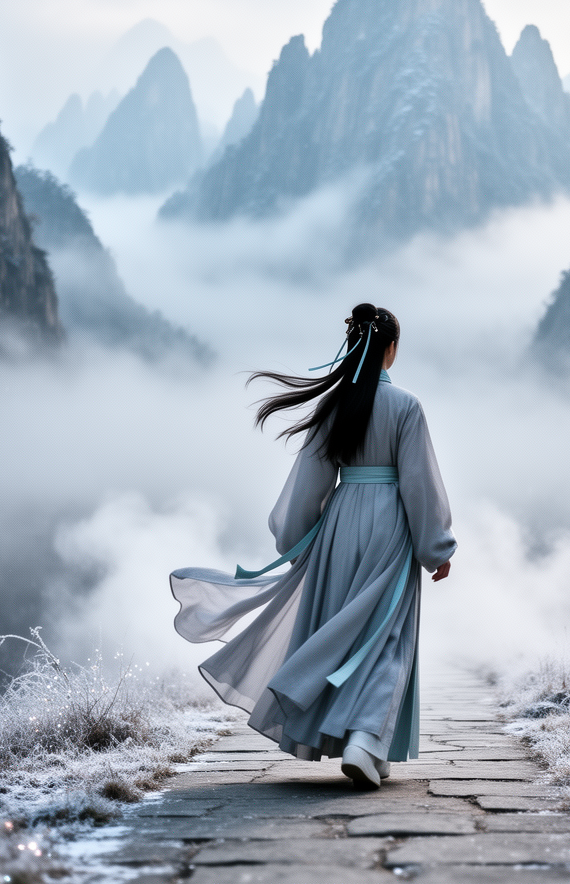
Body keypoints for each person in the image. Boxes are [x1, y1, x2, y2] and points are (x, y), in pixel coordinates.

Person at [170, 303, 456, 789]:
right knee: (383, 638)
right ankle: (365, 739)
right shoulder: (406, 407)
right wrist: (436, 547)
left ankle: (359, 740)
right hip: (391, 528)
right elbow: (419, 484)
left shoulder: (334, 407)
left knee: (341, 630)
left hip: (341, 524)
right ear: (391, 350)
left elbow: (309, 483)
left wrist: (298, 541)